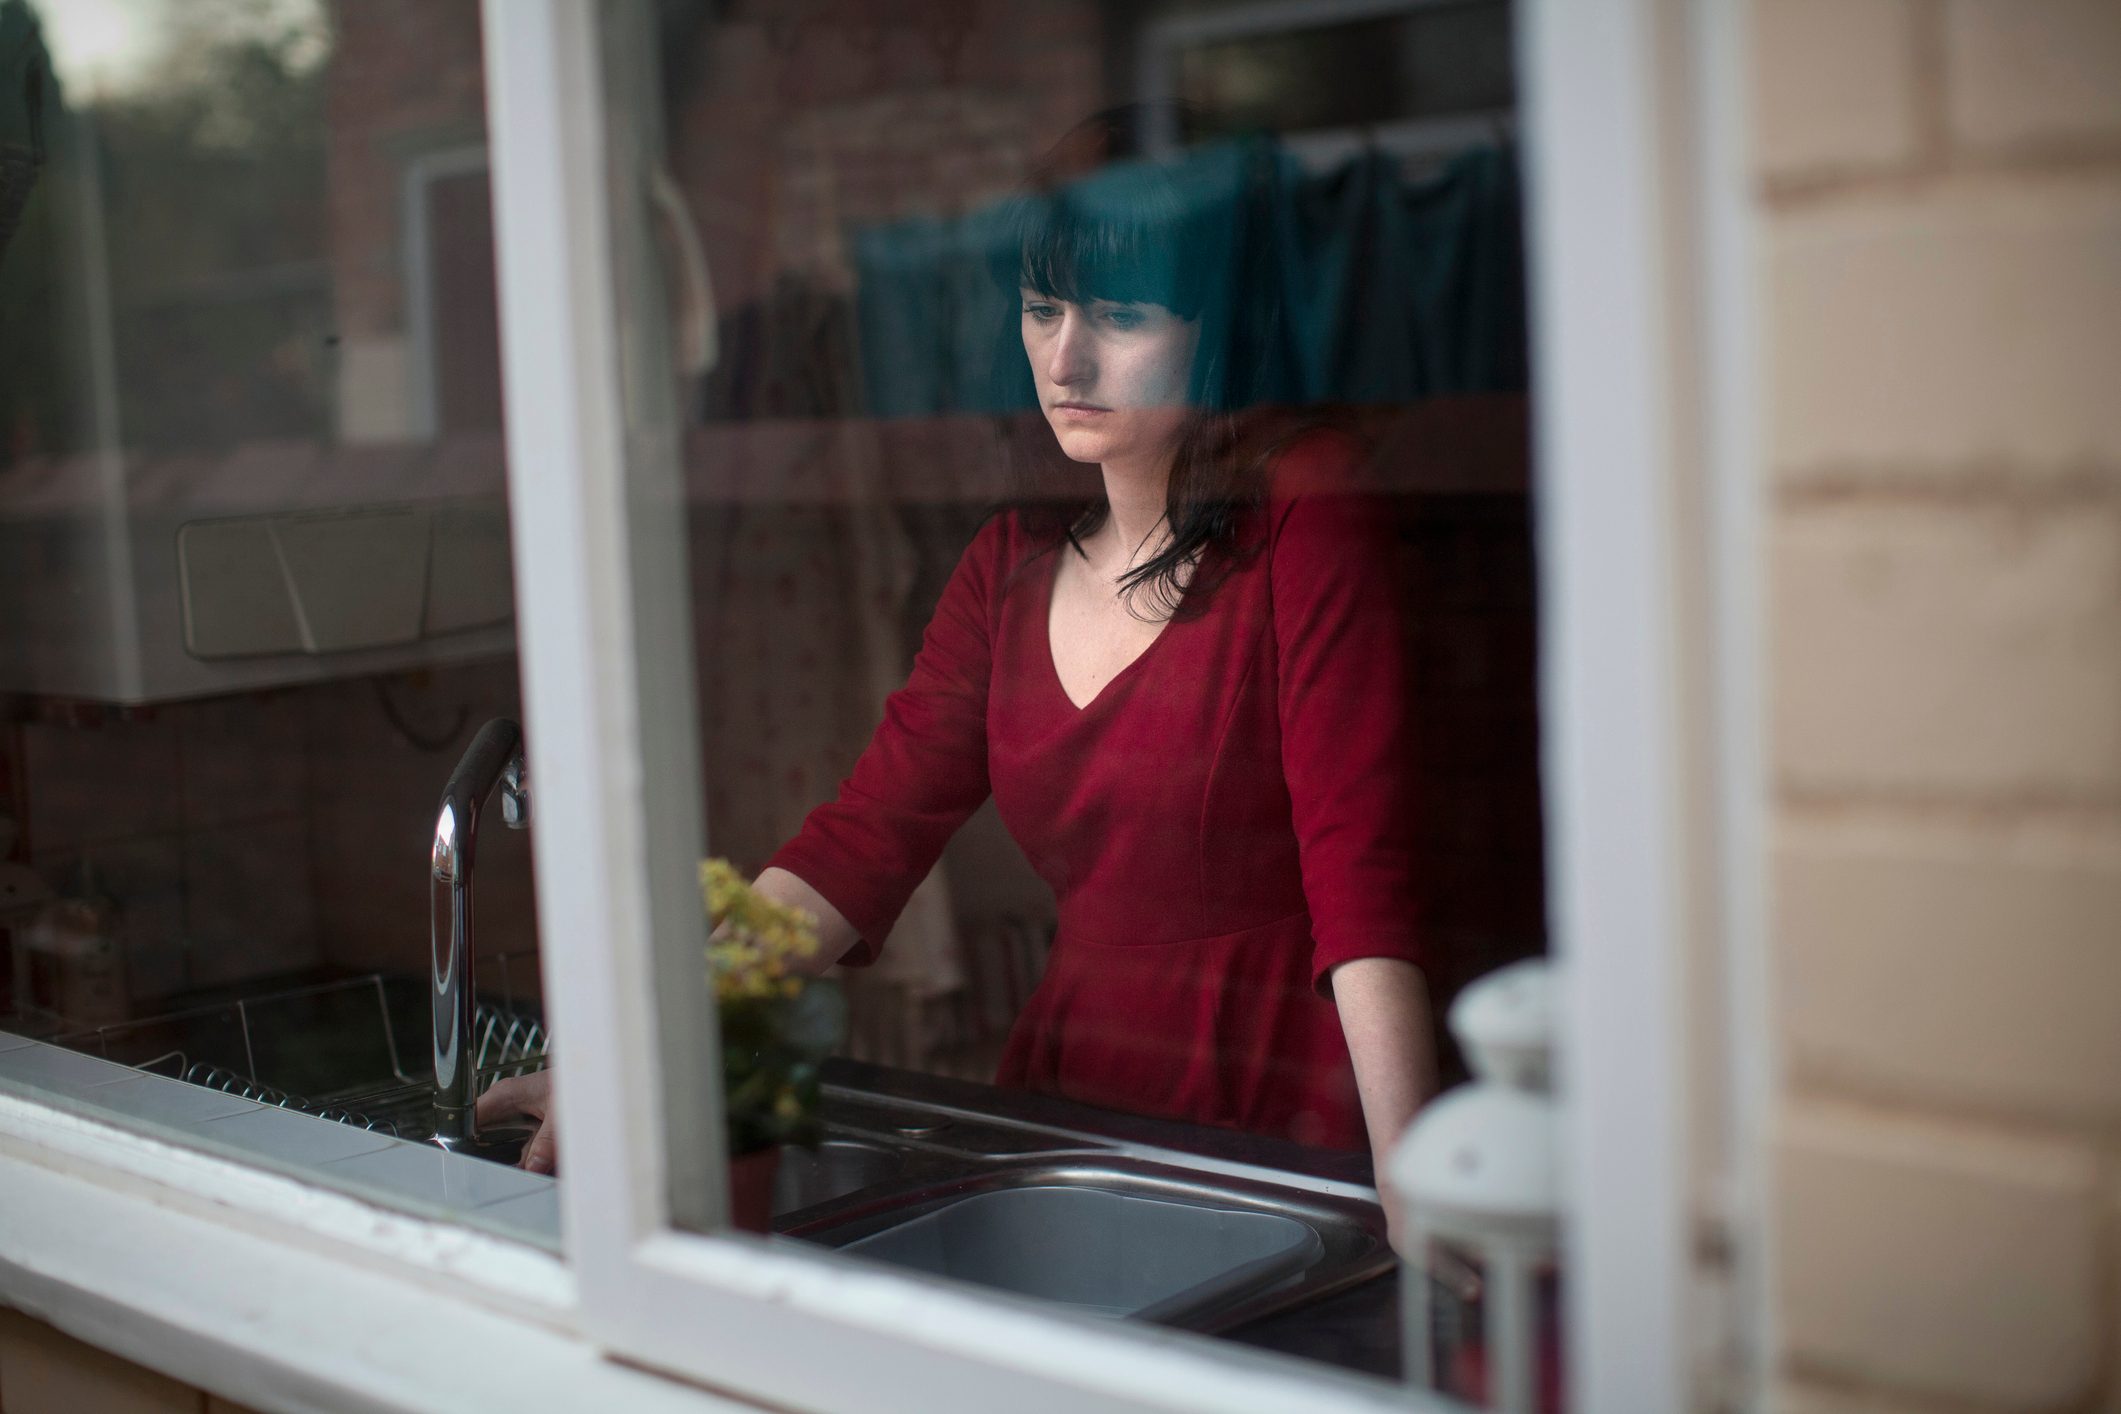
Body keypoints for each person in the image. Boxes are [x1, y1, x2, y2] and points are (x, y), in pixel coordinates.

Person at [481, 109, 1437, 1220]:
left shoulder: (1304, 510)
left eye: (1120, 315)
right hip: (1081, 1094)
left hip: (1287, 1088)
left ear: (1221, 322)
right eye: (1042, 309)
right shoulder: (1009, 561)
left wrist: (1411, 1173)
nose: (1065, 357)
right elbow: (860, 840)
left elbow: (1359, 872)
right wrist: (645, 1054)